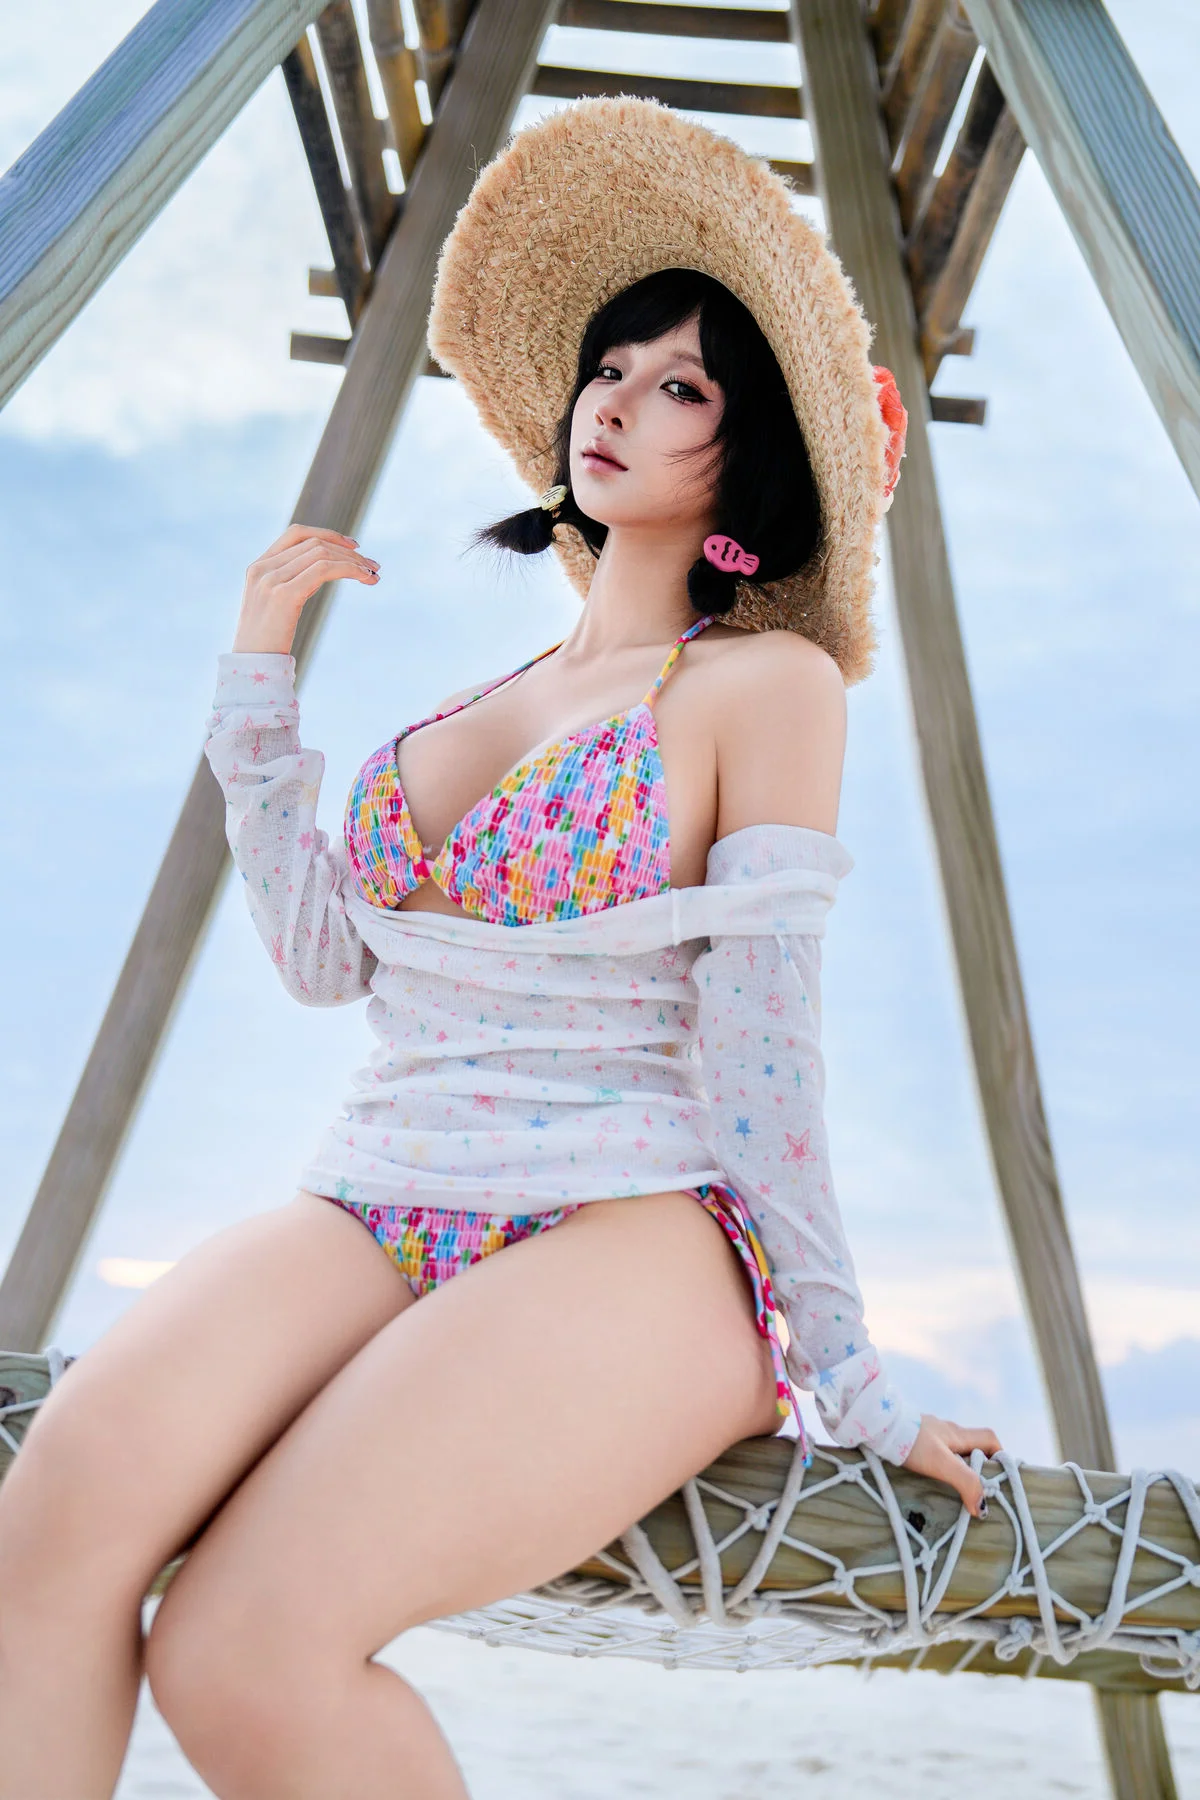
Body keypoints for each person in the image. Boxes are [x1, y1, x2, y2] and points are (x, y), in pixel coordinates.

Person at [0, 97, 1000, 1800]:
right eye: (612, 368)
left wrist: (850, 1377)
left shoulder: (766, 686)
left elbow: (766, 1049)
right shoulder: (478, 703)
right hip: (383, 1185)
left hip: (637, 1228)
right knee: (45, 1539)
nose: (618, 400)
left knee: (239, 1650)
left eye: (682, 387)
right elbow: (327, 966)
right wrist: (258, 691)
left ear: (747, 453)